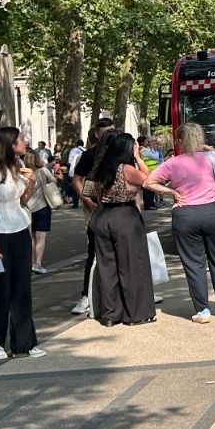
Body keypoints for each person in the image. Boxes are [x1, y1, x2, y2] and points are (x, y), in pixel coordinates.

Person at [143, 122, 215, 323]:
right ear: (201, 139)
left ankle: (202, 310)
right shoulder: (211, 158)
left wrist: (171, 191)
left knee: (194, 263)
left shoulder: (172, 163)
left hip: (185, 215)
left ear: (178, 141)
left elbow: (148, 183)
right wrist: (206, 148)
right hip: (212, 212)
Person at [0, 127, 41, 360]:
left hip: (20, 229)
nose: (25, 142)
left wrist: (31, 183)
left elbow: (23, 200)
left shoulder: (19, 167)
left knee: (22, 286)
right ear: (11, 144)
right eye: (21, 139)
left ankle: (25, 342)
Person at [86, 133, 155, 326]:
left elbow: (98, 197)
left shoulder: (101, 168)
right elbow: (150, 181)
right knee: (133, 265)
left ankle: (110, 314)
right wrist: (139, 159)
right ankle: (136, 313)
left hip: (103, 216)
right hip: (125, 215)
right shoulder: (126, 169)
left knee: (107, 267)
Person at [69, 119, 114, 316]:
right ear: (97, 134)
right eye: (106, 132)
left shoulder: (119, 152)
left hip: (118, 208)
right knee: (94, 250)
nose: (110, 137)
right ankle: (87, 295)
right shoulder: (88, 155)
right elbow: (76, 179)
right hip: (95, 207)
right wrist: (87, 200)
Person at [23, 151, 56, 274]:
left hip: (27, 207)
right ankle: (38, 264)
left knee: (30, 236)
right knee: (41, 237)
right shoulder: (42, 170)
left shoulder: (23, 172)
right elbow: (54, 180)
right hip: (42, 206)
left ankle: (30, 262)